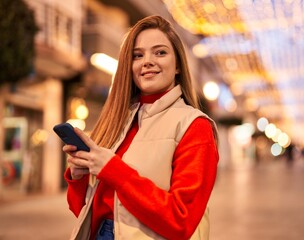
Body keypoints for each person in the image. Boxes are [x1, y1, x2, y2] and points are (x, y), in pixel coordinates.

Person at [63, 15, 219, 240]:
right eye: (138, 55)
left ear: (177, 66)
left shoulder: (195, 126)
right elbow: (88, 212)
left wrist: (114, 170)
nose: (147, 61)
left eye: (160, 52)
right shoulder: (117, 121)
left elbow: (181, 220)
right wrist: (79, 177)